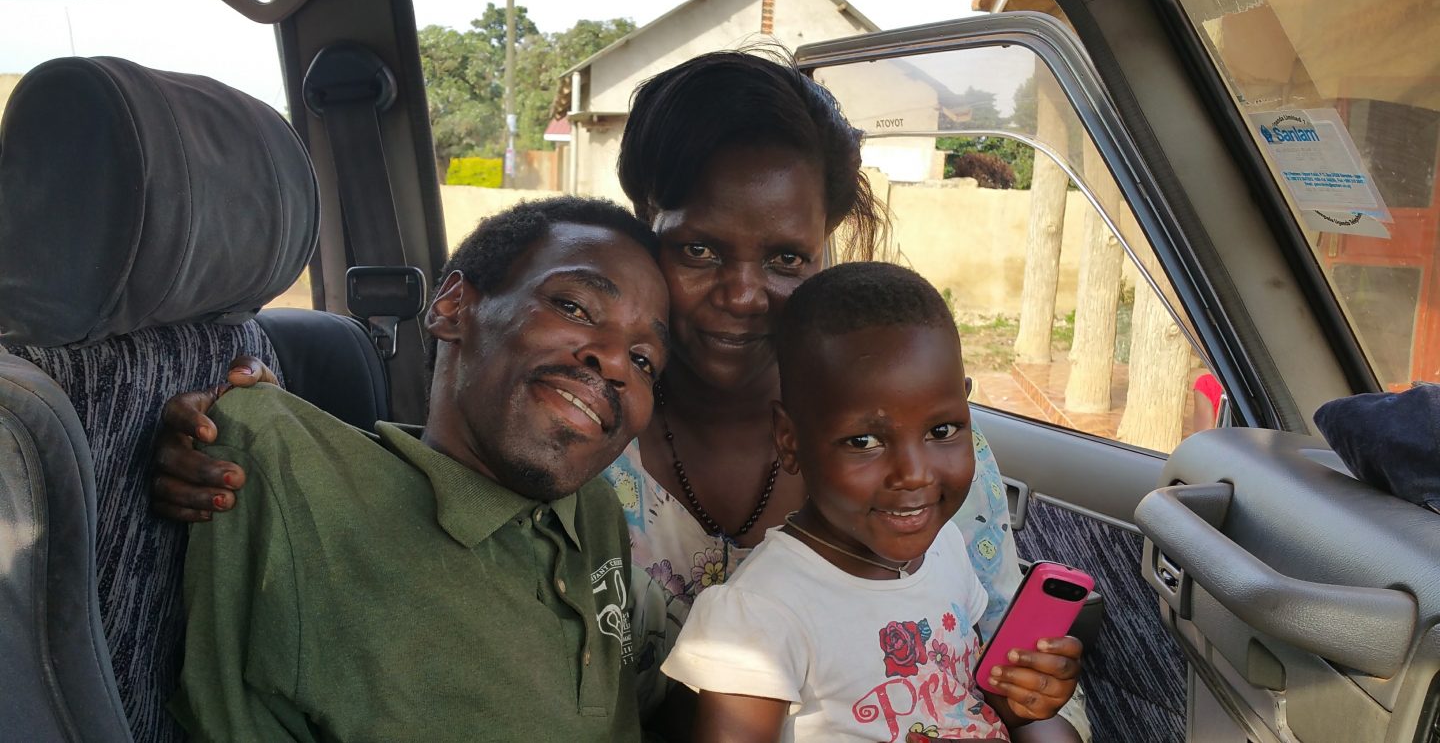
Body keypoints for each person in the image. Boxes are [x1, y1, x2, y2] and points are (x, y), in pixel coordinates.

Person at [152, 51, 1088, 740]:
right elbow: (433, 511)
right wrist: (248, 436)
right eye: (698, 249)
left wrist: (1043, 689)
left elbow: (1000, 669)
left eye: (789, 259)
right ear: (649, 230)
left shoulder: (925, 464)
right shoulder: (583, 454)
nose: (742, 293)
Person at [169, 198, 671, 740]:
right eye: (574, 307)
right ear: (453, 307)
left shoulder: (592, 513)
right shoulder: (292, 483)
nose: (617, 363)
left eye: (644, 360)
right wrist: (243, 432)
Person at [661, 263, 1083, 742]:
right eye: (864, 441)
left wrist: (1016, 702)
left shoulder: (945, 545)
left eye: (942, 431)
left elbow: (959, 698)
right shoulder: (759, 615)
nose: (914, 474)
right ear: (790, 441)